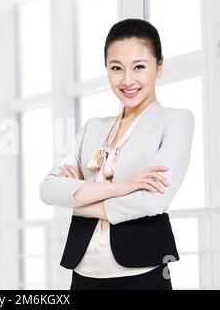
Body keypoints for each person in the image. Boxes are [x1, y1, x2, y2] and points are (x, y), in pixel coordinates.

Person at [39, 18, 195, 290]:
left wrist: (79, 202)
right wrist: (121, 187)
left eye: (139, 67)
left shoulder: (176, 120)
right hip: (83, 274)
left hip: (141, 274)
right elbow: (48, 189)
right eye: (116, 68)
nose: (127, 80)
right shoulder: (92, 127)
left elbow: (152, 201)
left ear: (159, 67)